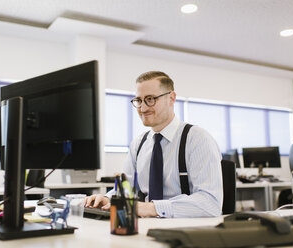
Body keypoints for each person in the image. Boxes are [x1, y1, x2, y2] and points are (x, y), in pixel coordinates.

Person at [84, 71, 223, 218]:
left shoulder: (197, 139)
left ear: (171, 98)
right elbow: (126, 190)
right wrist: (108, 199)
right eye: (139, 100)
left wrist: (151, 208)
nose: (143, 108)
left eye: (150, 99)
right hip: (147, 227)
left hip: (187, 231)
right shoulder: (138, 144)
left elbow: (210, 203)